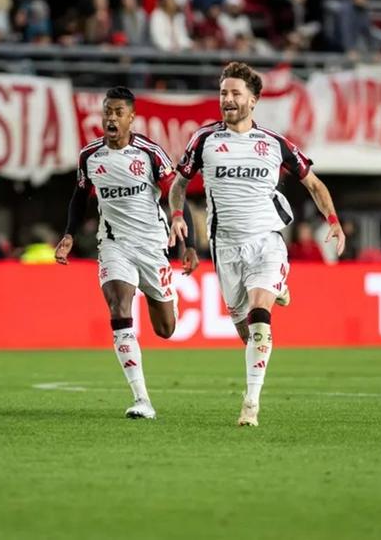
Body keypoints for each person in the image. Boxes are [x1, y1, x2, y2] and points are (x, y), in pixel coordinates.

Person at [168, 62, 344, 426]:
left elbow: (314, 184)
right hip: (225, 247)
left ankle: (251, 403)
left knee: (260, 320)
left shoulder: (274, 144)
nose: (227, 100)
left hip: (266, 241)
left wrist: (333, 221)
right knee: (247, 333)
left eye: (235, 94)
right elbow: (179, 184)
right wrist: (177, 215)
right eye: (223, 93)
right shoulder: (204, 140)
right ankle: (277, 288)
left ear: (254, 100)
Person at [55, 86, 199, 420]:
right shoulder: (90, 156)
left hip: (151, 246)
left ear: (131, 118)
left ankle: (161, 295)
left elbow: (175, 192)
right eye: (108, 111)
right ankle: (141, 399)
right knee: (119, 306)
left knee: (166, 329)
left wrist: (188, 243)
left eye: (119, 112)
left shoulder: (149, 153)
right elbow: (79, 198)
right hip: (113, 244)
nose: (111, 118)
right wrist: (68, 235)